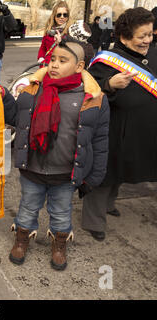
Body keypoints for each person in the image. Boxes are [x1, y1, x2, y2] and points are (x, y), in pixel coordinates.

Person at [4, 39, 110, 271]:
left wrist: (94, 176)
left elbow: (100, 140)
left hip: (65, 173)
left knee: (62, 213)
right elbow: (17, 119)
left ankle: (59, 244)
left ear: (80, 66)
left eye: (63, 61)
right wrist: (3, 97)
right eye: (52, 59)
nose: (54, 65)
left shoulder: (93, 98)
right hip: (32, 169)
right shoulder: (33, 89)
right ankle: (22, 238)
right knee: (27, 208)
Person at [81, 7, 157, 241]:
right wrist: (110, 84)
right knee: (105, 174)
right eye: (141, 36)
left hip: (139, 130)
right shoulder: (107, 60)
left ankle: (109, 205)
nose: (147, 40)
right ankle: (93, 221)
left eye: (150, 34)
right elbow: (88, 88)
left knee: (123, 171)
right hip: (113, 130)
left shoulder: (152, 54)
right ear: (124, 37)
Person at [37, 0, 71, 67]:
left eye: (65, 15)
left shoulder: (70, 32)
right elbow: (43, 48)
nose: (62, 17)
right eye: (59, 15)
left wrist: (60, 43)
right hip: (46, 67)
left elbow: (72, 54)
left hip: (60, 69)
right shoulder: (49, 31)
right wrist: (41, 58)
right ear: (54, 16)